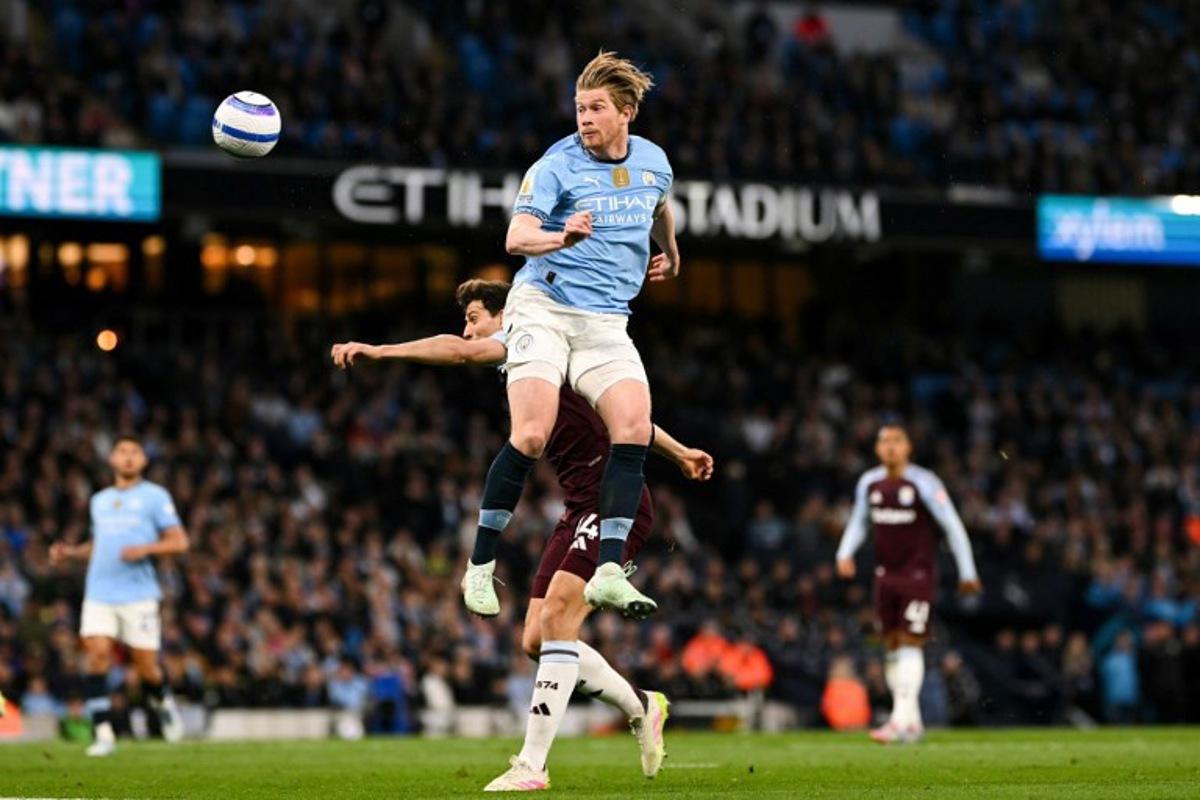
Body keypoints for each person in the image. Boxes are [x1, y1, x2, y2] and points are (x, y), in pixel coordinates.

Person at [331, 278, 712, 791]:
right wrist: (683, 451)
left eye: (474, 317)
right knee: (536, 640)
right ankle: (643, 705)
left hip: (611, 504)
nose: (468, 330)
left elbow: (461, 354)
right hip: (577, 508)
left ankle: (532, 765)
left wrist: (381, 351)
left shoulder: (532, 334)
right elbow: (621, 419)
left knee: (556, 618)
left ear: (506, 312)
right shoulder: (539, 360)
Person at [461, 49, 682, 626]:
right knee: (531, 435)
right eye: (580, 108)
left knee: (631, 426)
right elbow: (516, 237)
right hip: (545, 308)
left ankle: (609, 570)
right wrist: (561, 236)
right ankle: (480, 563)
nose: (584, 118)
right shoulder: (556, 164)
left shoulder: (655, 161)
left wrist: (671, 254)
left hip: (608, 320)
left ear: (626, 112)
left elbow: (661, 206)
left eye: (596, 108)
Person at [835, 422, 981, 744]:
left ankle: (899, 719)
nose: (890, 447)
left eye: (897, 441)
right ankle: (912, 721)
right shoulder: (869, 482)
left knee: (910, 641)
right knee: (891, 645)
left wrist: (967, 571)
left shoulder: (924, 483)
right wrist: (844, 552)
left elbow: (952, 525)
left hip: (917, 576)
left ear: (908, 447)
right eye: (884, 441)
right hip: (885, 577)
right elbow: (860, 520)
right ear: (876, 448)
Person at [49, 436, 190, 756]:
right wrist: (71, 552)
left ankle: (163, 702)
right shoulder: (100, 500)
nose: (128, 458)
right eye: (122, 452)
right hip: (99, 592)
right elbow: (99, 545)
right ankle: (103, 732)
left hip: (138, 595)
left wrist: (147, 548)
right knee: (97, 655)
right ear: (111, 459)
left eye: (135, 452)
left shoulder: (155, 497)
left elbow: (180, 542)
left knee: (146, 668)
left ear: (143, 461)